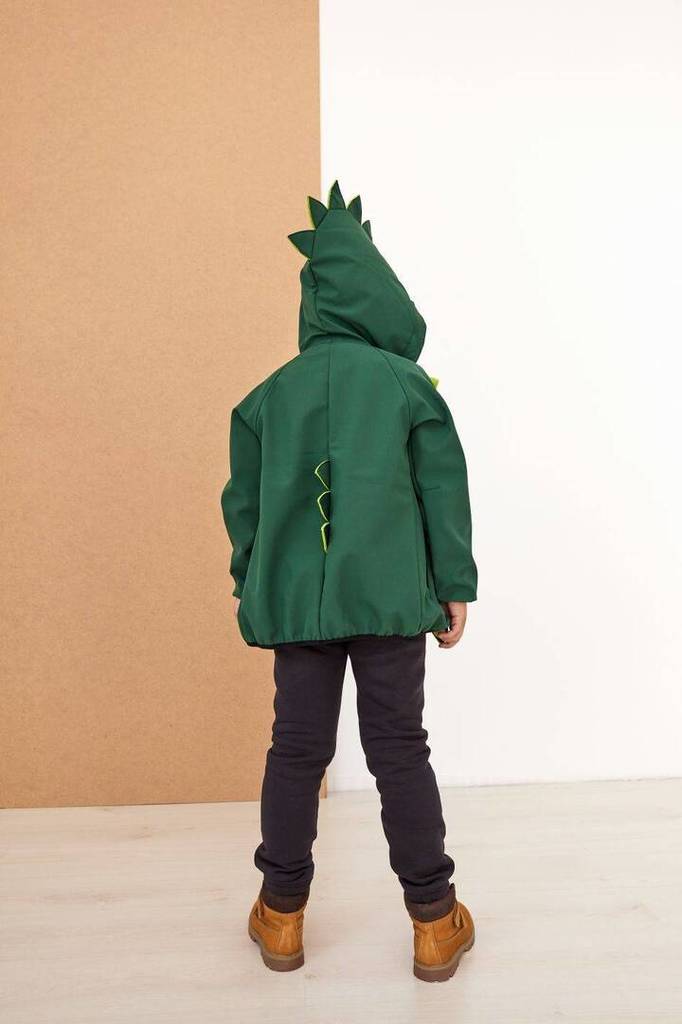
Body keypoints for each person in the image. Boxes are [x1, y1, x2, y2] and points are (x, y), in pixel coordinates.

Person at [220, 181, 477, 982]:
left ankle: (281, 917)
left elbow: (243, 509)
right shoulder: (407, 387)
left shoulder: (267, 397)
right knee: (399, 748)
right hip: (392, 600)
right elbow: (443, 490)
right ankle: (433, 921)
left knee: (296, 749)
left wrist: (253, 582)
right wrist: (453, 583)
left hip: (299, 604)